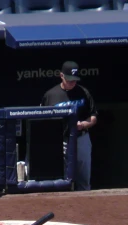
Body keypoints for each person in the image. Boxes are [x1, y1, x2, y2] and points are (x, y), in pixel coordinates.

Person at [41, 61, 98, 191]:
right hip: (60, 140)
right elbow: (42, 120)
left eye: (75, 80)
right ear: (62, 75)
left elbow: (93, 117)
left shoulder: (84, 92)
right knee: (61, 179)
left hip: (81, 138)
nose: (73, 82)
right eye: (69, 79)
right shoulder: (51, 95)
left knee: (84, 179)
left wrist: (83, 124)